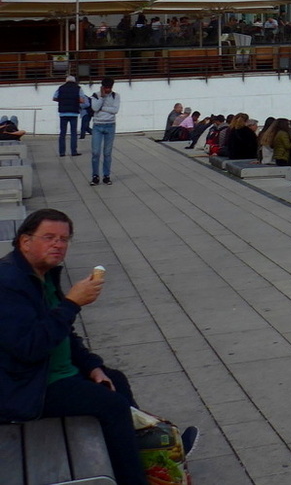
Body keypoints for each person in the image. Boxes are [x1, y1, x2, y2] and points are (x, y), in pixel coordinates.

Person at [0, 209, 197, 485]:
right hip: (26, 387)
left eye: (64, 239)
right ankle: (135, 477)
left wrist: (92, 365)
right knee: (112, 406)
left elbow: (65, 335)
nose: (58, 245)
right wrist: (71, 304)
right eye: (49, 237)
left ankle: (153, 451)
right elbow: (29, 348)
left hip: (47, 373)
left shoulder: (41, 275)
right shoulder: (8, 284)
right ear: (24, 241)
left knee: (114, 379)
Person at [88, 79, 121, 188]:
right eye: (106, 88)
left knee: (107, 153)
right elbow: (95, 108)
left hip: (110, 125)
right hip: (97, 125)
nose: (108, 90)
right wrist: (102, 98)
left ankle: (106, 176)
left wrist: (103, 108)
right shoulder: (96, 95)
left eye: (110, 88)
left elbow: (115, 110)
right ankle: (95, 176)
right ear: (102, 87)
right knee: (95, 152)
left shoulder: (115, 96)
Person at [53, 76, 84, 157]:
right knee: (73, 133)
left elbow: (54, 98)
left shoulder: (60, 88)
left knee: (62, 133)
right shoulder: (78, 88)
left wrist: (62, 100)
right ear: (74, 81)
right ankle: (73, 151)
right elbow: (81, 100)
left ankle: (62, 152)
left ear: (66, 81)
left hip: (63, 113)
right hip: (73, 113)